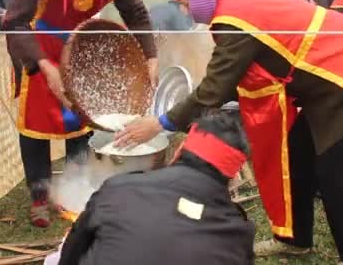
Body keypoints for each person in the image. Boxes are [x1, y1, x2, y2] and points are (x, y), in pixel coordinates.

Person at [115, 0, 343, 265]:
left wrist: (159, 123)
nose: (184, 9)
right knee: (297, 157)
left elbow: (215, 88)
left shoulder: (236, 15)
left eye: (185, 0)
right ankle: (295, 239)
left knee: (336, 175)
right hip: (328, 81)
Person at [2, 0, 158, 228]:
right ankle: (39, 196)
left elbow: (135, 12)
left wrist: (151, 55)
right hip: (40, 45)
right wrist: (45, 67)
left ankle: (73, 188)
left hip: (84, 45)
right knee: (36, 125)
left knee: (82, 118)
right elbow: (15, 20)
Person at [58, 111, 255, 265]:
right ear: (230, 178)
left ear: (178, 151)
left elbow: (70, 254)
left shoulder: (119, 188)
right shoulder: (236, 235)